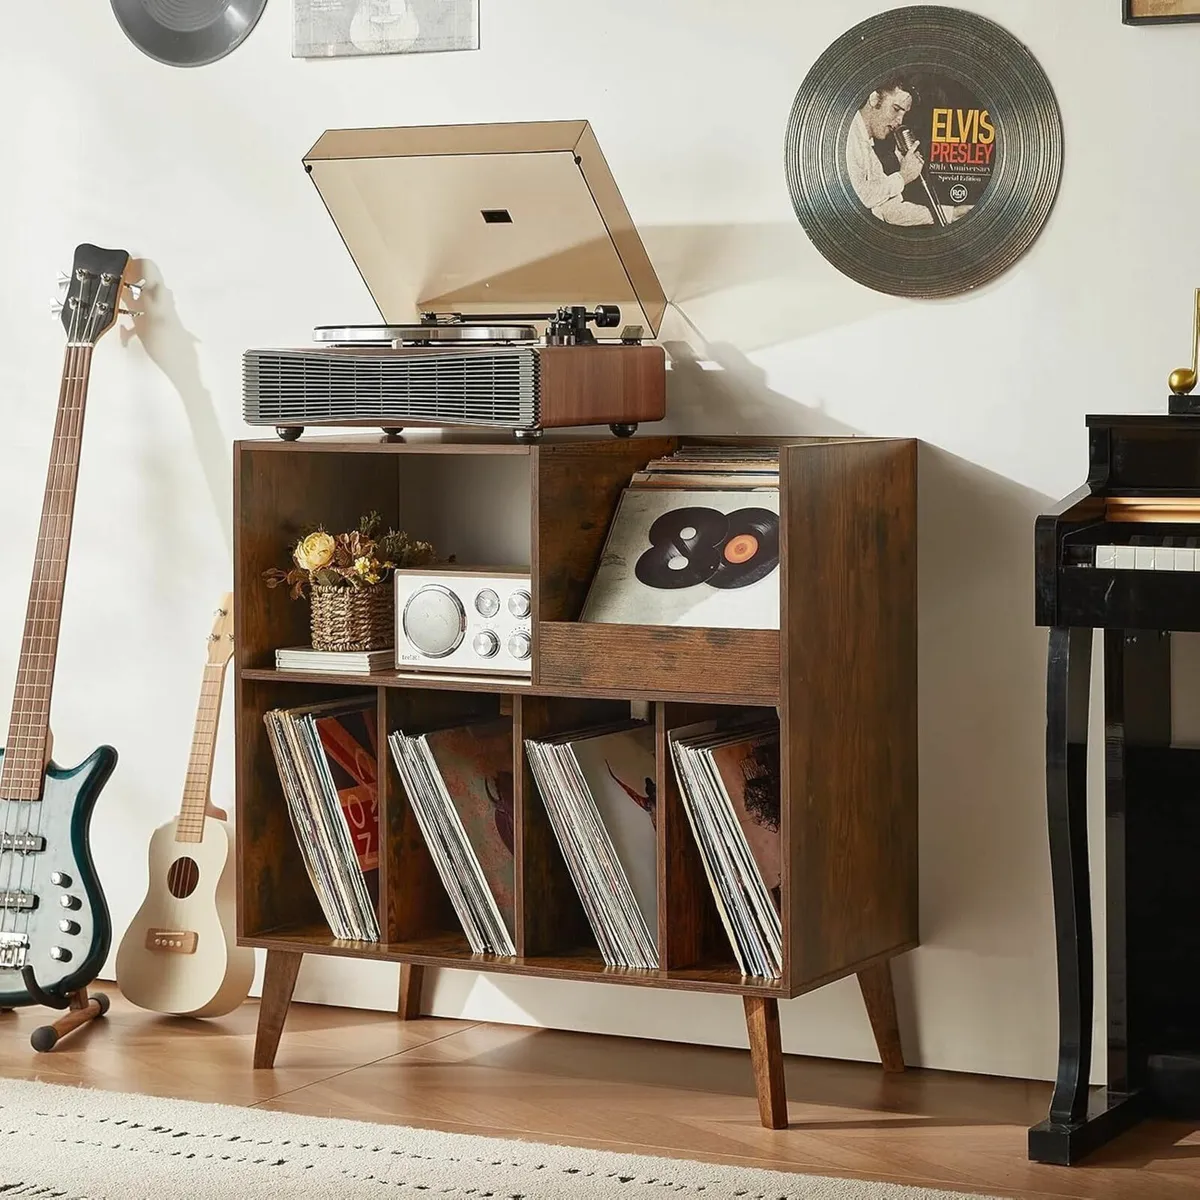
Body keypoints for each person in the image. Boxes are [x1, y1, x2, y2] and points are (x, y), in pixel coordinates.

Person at [844, 75, 937, 227]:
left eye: (904, 114)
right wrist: (902, 177)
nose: (900, 121)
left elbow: (889, 210)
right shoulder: (847, 137)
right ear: (874, 99)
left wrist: (950, 213)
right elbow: (856, 197)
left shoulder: (868, 150)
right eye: (896, 109)